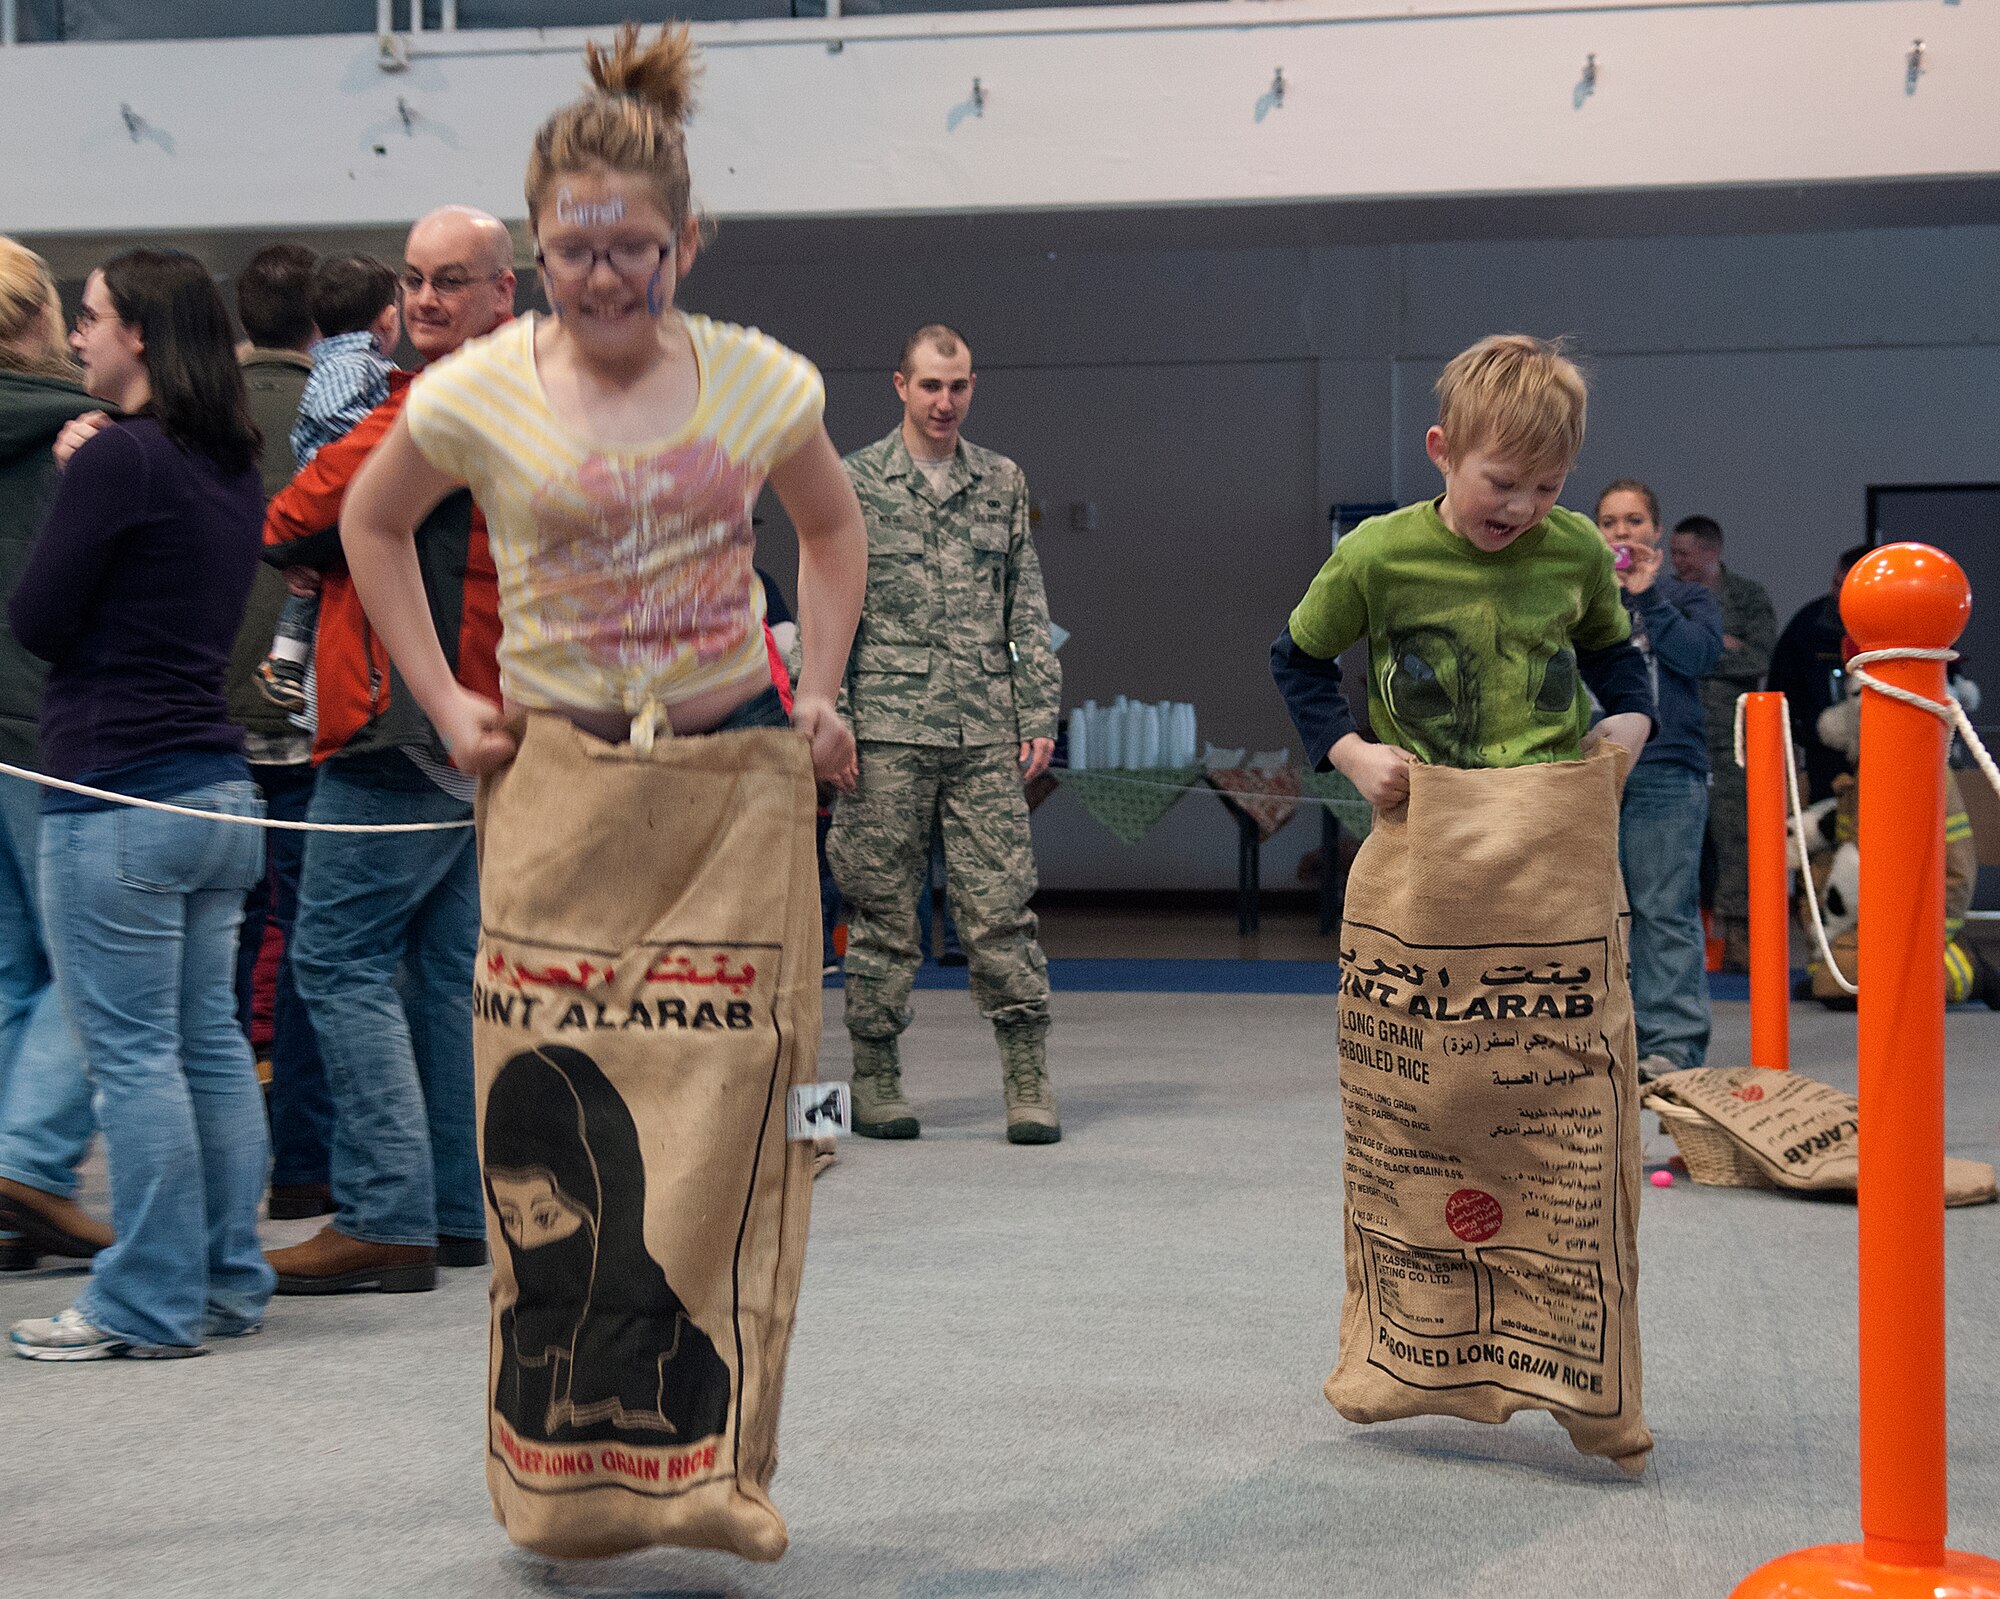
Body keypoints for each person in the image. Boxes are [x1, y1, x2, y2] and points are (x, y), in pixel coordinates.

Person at [335, 21, 864, 1254]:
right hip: (551, 765)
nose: (605, 276)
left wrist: (820, 689)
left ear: (683, 242)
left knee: (746, 1057)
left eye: (632, 247)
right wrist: (446, 698)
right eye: (573, 250)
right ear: (535, 249)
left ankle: (779, 1194)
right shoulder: (477, 387)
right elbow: (374, 524)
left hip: (727, 757)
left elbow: (834, 535)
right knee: (551, 1076)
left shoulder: (758, 380)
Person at [8, 248, 272, 1359]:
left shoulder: (118, 460)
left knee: (135, 1060)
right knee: (206, 1044)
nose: (79, 336)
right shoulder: (228, 460)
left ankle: (145, 1300)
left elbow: (38, 617)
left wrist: (86, 476)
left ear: (144, 339)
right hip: (216, 790)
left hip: (114, 794)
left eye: (98, 317)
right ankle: (222, 1277)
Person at [258, 205, 513, 1295]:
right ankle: (451, 1211)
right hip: (468, 728)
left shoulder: (440, 400)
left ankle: (386, 1214)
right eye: (413, 279)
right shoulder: (517, 394)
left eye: (452, 279)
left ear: (506, 292)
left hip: (400, 724)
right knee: (440, 976)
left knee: (335, 962)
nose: (425, 299)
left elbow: (295, 515)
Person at [828, 324, 1063, 1144]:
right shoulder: (852, 482)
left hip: (983, 731)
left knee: (1001, 909)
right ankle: (875, 1074)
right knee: (884, 911)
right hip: (884, 733)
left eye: (958, 385)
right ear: (899, 384)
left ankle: (1027, 1078)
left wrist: (1038, 709)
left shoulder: (1001, 481)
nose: (944, 402)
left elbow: (1025, 608)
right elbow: (832, 612)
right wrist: (834, 717)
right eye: (930, 385)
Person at [1270, 335, 1652, 791]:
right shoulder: (1375, 553)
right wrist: (1351, 753)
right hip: (1426, 811)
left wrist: (1635, 714)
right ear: (1443, 451)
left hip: (1551, 808)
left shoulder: (1580, 549)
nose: (1521, 509)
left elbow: (1609, 650)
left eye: (1548, 487)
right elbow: (1297, 661)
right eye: (1503, 483)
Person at [0, 237, 112, 1273]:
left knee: (8, 969)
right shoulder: (85, 434)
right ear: (34, 320)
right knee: (86, 968)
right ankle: (27, 1162)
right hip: (46, 727)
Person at [228, 241, 334, 1222]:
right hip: (305, 724)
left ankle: (211, 1172)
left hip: (203, 722)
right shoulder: (341, 415)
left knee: (216, 948)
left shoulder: (188, 416)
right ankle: (301, 1161)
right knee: (310, 950)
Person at [1595, 480, 1723, 1076]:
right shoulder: (1580, 598)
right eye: (1610, 521)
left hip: (1667, 767)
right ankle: (1602, 1039)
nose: (1622, 530)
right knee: (1587, 912)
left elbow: (1699, 657)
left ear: (1655, 533)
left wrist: (1647, 599)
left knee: (1663, 909)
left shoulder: (1686, 597)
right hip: (1588, 769)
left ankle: (1671, 1045)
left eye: (1634, 520)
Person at [257, 254, 401, 714]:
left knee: (313, 583)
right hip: (334, 491)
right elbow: (332, 412)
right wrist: (386, 432)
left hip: (334, 491)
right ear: (389, 318)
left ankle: (287, 662)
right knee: (315, 583)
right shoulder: (352, 362)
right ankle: (285, 661)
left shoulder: (349, 360)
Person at [1669, 514, 1776, 971]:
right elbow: (1666, 651)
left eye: (1684, 554)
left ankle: (1739, 942)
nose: (1677, 562)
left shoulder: (1748, 597)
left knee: (1736, 840)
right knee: (1680, 845)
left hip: (1733, 741)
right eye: (1673, 554)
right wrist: (1718, 647)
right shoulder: (1668, 596)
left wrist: (1698, 651)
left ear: (1711, 552)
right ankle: (1685, 946)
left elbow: (1758, 658)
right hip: (1680, 735)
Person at [1768, 543, 1871, 803]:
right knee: (1828, 826)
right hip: (1825, 752)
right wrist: (1805, 731)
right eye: (1835, 583)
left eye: (1843, 587)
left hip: (1888, 750)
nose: (1835, 594)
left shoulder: (1901, 621)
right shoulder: (1811, 624)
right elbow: (1781, 687)